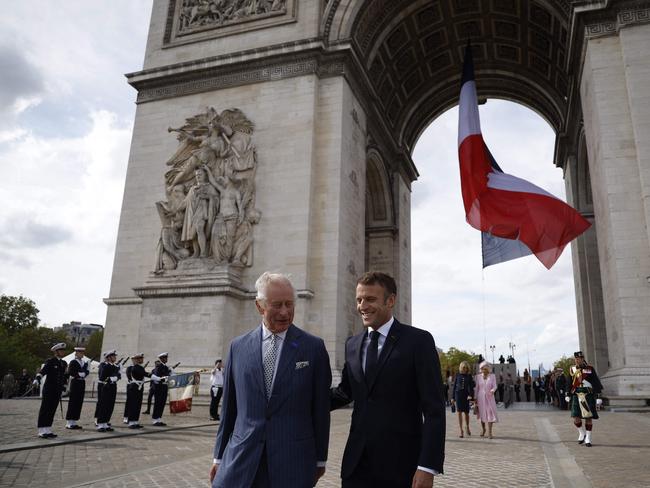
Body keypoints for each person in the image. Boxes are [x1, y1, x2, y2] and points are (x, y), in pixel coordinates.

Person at [209, 272, 331, 488]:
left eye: (289, 304)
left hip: (293, 462)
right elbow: (229, 410)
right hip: (242, 460)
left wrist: (320, 459)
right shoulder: (237, 347)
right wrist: (219, 457)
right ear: (260, 306)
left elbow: (320, 411)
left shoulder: (314, 348)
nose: (285, 312)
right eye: (277, 305)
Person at [331, 271, 445, 488]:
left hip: (403, 467)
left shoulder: (418, 342)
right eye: (359, 300)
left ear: (390, 300)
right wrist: (301, 399)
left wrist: (427, 466)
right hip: (356, 466)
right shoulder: (352, 344)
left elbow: (434, 410)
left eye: (370, 299)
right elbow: (345, 392)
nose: (362, 306)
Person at [566, 351, 603, 447]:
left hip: (588, 395)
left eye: (579, 359)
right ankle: (581, 433)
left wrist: (598, 396)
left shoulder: (590, 369)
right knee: (575, 417)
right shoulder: (572, 369)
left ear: (583, 359)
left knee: (588, 417)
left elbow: (596, 382)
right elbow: (569, 383)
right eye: (576, 359)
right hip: (576, 395)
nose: (577, 361)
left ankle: (588, 438)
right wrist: (567, 394)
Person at [36, 343, 68, 438]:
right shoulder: (50, 361)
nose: (63, 352)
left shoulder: (63, 363)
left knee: (52, 410)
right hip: (49, 390)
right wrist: (37, 378)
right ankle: (41, 430)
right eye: (61, 350)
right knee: (45, 409)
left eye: (63, 350)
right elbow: (42, 372)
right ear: (56, 352)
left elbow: (62, 377)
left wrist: (63, 386)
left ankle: (48, 429)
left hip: (57, 391)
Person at [96, 350, 121, 432]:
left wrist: (116, 377)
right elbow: (102, 377)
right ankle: (100, 424)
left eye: (115, 356)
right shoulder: (105, 366)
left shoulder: (116, 366)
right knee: (104, 405)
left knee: (110, 406)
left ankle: (106, 422)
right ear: (109, 358)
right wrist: (111, 378)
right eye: (113, 356)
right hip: (106, 387)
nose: (115, 357)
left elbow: (119, 375)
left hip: (113, 387)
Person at [65, 347, 89, 429]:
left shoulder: (83, 362)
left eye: (82, 352)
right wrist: (79, 374)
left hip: (81, 382)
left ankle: (74, 421)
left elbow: (87, 371)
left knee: (79, 402)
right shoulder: (73, 362)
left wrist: (85, 373)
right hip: (75, 382)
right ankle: (69, 422)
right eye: (80, 352)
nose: (82, 354)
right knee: (73, 401)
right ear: (76, 353)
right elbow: (70, 372)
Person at [474, 361, 498, 439]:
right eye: (483, 368)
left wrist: (492, 390)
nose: (485, 369)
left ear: (488, 369)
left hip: (490, 397)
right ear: (481, 369)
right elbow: (477, 388)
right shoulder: (478, 377)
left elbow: (495, 386)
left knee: (490, 413)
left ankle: (490, 432)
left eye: (486, 368)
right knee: (482, 414)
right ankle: (484, 429)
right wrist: (475, 398)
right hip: (480, 397)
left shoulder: (492, 376)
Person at [125, 353, 150, 429]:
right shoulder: (136, 367)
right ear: (136, 360)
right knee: (133, 405)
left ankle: (135, 421)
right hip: (135, 387)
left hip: (139, 387)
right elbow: (145, 374)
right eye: (140, 358)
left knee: (138, 405)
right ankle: (131, 422)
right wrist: (157, 377)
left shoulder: (140, 367)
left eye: (142, 358)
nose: (142, 360)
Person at [451, 361, 475, 438]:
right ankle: (461, 430)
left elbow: (471, 387)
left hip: (466, 396)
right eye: (463, 367)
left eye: (466, 367)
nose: (464, 369)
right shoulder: (457, 375)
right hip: (458, 395)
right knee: (459, 412)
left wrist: (471, 396)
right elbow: (454, 387)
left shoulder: (469, 376)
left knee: (466, 413)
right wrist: (452, 398)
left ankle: (467, 426)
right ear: (461, 368)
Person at [150, 353, 174, 426]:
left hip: (164, 387)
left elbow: (168, 376)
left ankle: (159, 418)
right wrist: (166, 378)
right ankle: (155, 419)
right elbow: (158, 378)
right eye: (164, 358)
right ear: (160, 359)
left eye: (166, 358)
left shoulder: (166, 367)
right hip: (159, 387)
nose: (166, 359)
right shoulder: (159, 366)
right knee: (158, 403)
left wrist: (171, 373)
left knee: (162, 403)